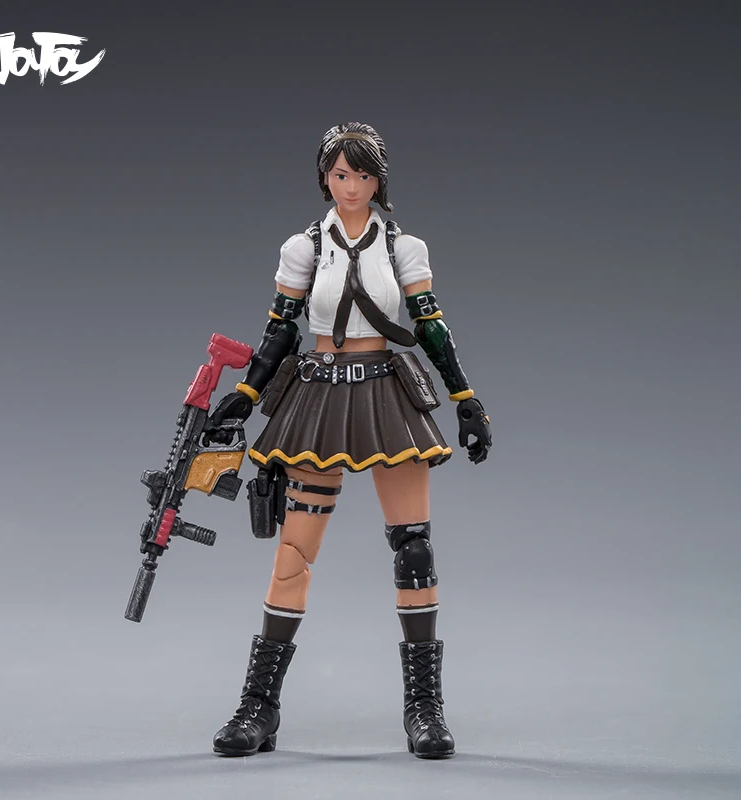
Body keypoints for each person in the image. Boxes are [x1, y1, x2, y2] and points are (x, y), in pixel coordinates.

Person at [207, 122, 491, 759]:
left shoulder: (403, 247)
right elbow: (280, 328)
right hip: (320, 396)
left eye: (363, 174)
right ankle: (259, 705)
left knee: (413, 548)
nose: (352, 186)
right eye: (341, 174)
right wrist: (247, 393)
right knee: (293, 552)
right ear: (324, 178)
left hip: (387, 394)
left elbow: (431, 326)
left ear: (378, 179)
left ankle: (425, 708)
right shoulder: (304, 247)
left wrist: (466, 398)